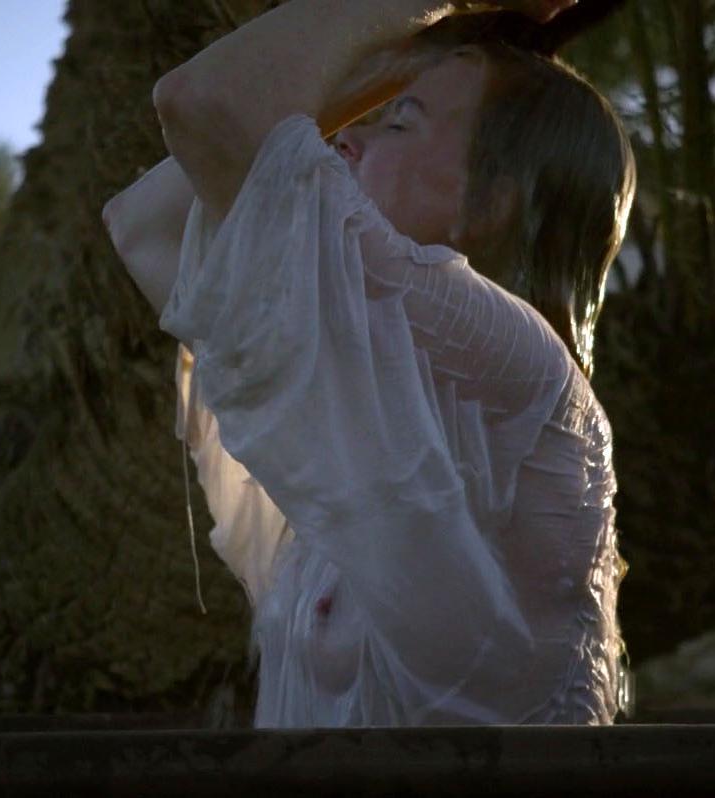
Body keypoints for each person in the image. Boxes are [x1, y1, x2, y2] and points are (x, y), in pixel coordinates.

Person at [105, 0, 636, 727]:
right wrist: (413, 58)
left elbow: (205, 105)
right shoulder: (379, 401)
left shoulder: (522, 372)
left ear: (490, 206)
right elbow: (143, 223)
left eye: (397, 122)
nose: (343, 137)